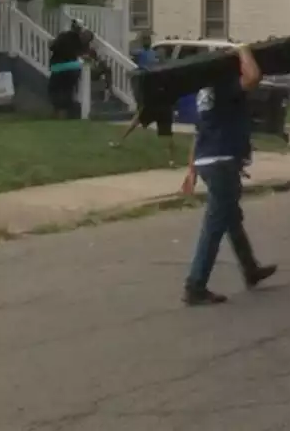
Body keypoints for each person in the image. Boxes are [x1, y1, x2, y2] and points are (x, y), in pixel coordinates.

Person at [179, 44, 276, 306]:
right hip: (221, 161)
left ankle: (251, 269)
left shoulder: (204, 92)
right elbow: (253, 77)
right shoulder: (224, 85)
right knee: (215, 223)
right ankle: (195, 285)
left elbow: (199, 132)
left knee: (230, 217)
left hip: (208, 160)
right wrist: (243, 50)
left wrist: (192, 170)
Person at [111, 35, 176, 165]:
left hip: (153, 102)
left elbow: (134, 57)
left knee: (136, 121)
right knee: (166, 133)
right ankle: (170, 160)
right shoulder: (164, 68)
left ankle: (119, 141)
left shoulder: (147, 63)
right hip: (164, 103)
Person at [47, 21, 93, 119]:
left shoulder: (63, 36)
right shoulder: (79, 40)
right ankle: (66, 113)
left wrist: (51, 43)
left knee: (54, 90)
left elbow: (52, 47)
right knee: (68, 90)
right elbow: (81, 53)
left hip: (58, 67)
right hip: (73, 68)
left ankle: (58, 112)